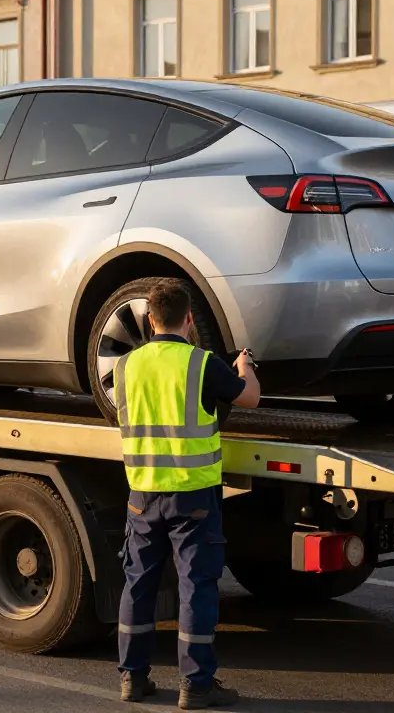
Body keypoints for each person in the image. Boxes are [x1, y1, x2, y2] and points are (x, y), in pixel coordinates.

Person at [114, 280, 260, 710]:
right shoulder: (202, 363)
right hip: (192, 497)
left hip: (142, 493)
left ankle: (132, 678)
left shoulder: (125, 367)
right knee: (196, 586)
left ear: (148, 319)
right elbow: (250, 398)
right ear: (190, 319)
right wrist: (244, 366)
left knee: (137, 583)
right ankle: (195, 684)